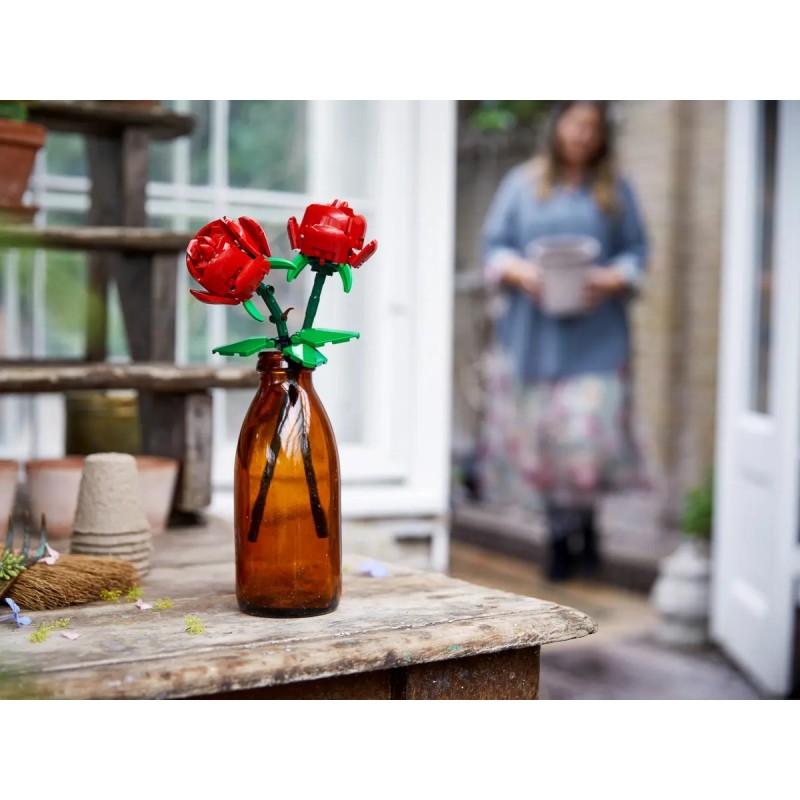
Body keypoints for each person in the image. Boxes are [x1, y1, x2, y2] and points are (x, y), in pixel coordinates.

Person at [479, 100, 649, 581]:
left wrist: (610, 279)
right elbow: (493, 248)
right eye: (576, 125)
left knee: (587, 438)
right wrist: (520, 272)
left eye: (593, 128)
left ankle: (587, 524)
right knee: (547, 438)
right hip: (535, 337)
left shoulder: (616, 189)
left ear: (602, 135)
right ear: (558, 128)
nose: (583, 136)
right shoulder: (521, 184)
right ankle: (558, 534)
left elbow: (638, 252)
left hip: (597, 340)